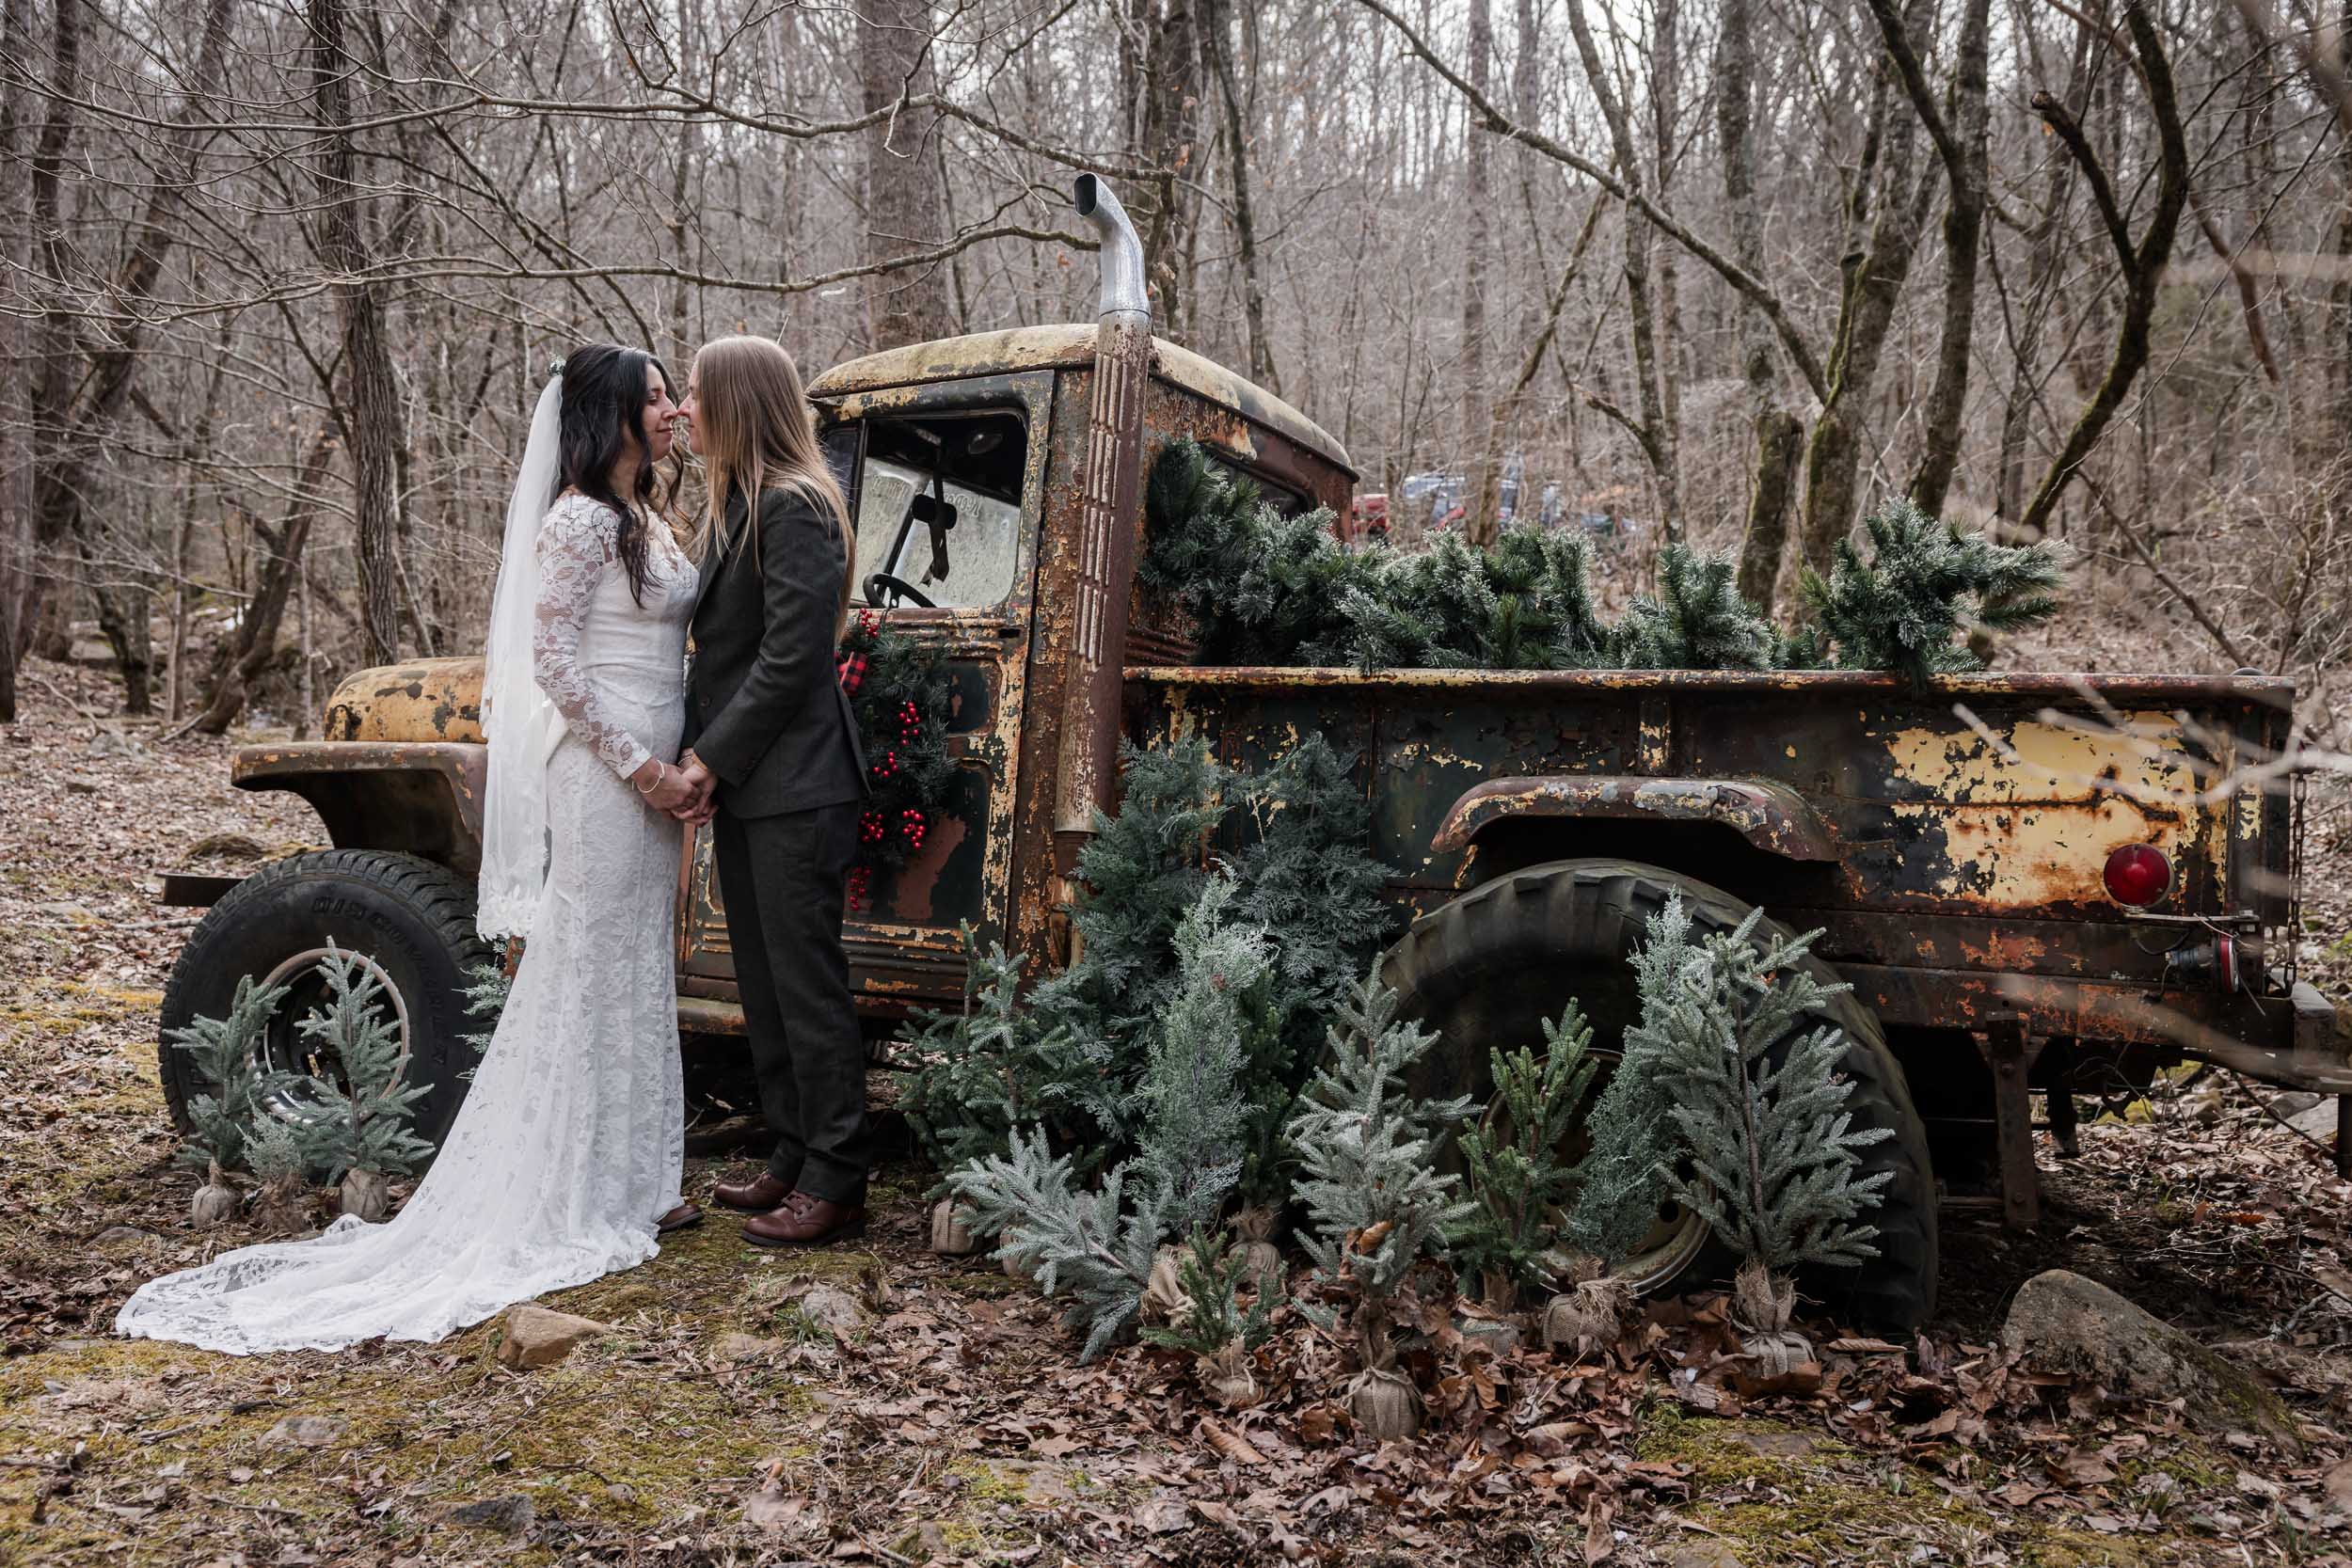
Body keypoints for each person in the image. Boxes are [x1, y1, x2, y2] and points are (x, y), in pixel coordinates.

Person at [117, 343, 703, 1354]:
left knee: (638, 958)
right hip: (607, 770)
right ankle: (573, 1186)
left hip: (663, 766)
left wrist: (684, 761)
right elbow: (555, 664)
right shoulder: (574, 519)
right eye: (651, 398)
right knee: (589, 958)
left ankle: (638, 1180)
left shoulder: (645, 516)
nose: (668, 410)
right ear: (607, 413)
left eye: (667, 396)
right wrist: (643, 767)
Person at [670, 335, 871, 1247]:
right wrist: (704, 759)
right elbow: (721, 657)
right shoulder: (737, 505)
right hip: (757, 785)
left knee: (805, 984)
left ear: (739, 402)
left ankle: (836, 1176)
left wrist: (709, 760)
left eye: (696, 393)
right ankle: (791, 1153)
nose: (685, 409)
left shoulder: (797, 506)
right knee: (763, 983)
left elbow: (792, 657)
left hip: (800, 786)